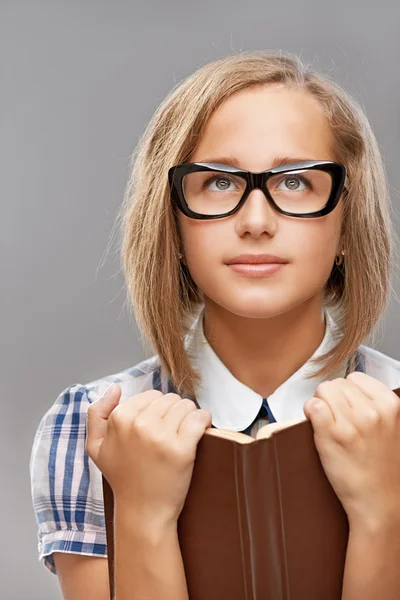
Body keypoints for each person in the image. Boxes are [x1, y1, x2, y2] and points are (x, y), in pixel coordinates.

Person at [30, 49, 400, 600]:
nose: (256, 221)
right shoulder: (89, 430)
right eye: (219, 184)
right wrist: (143, 514)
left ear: (347, 221)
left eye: (296, 182)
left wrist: (383, 514)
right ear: (173, 222)